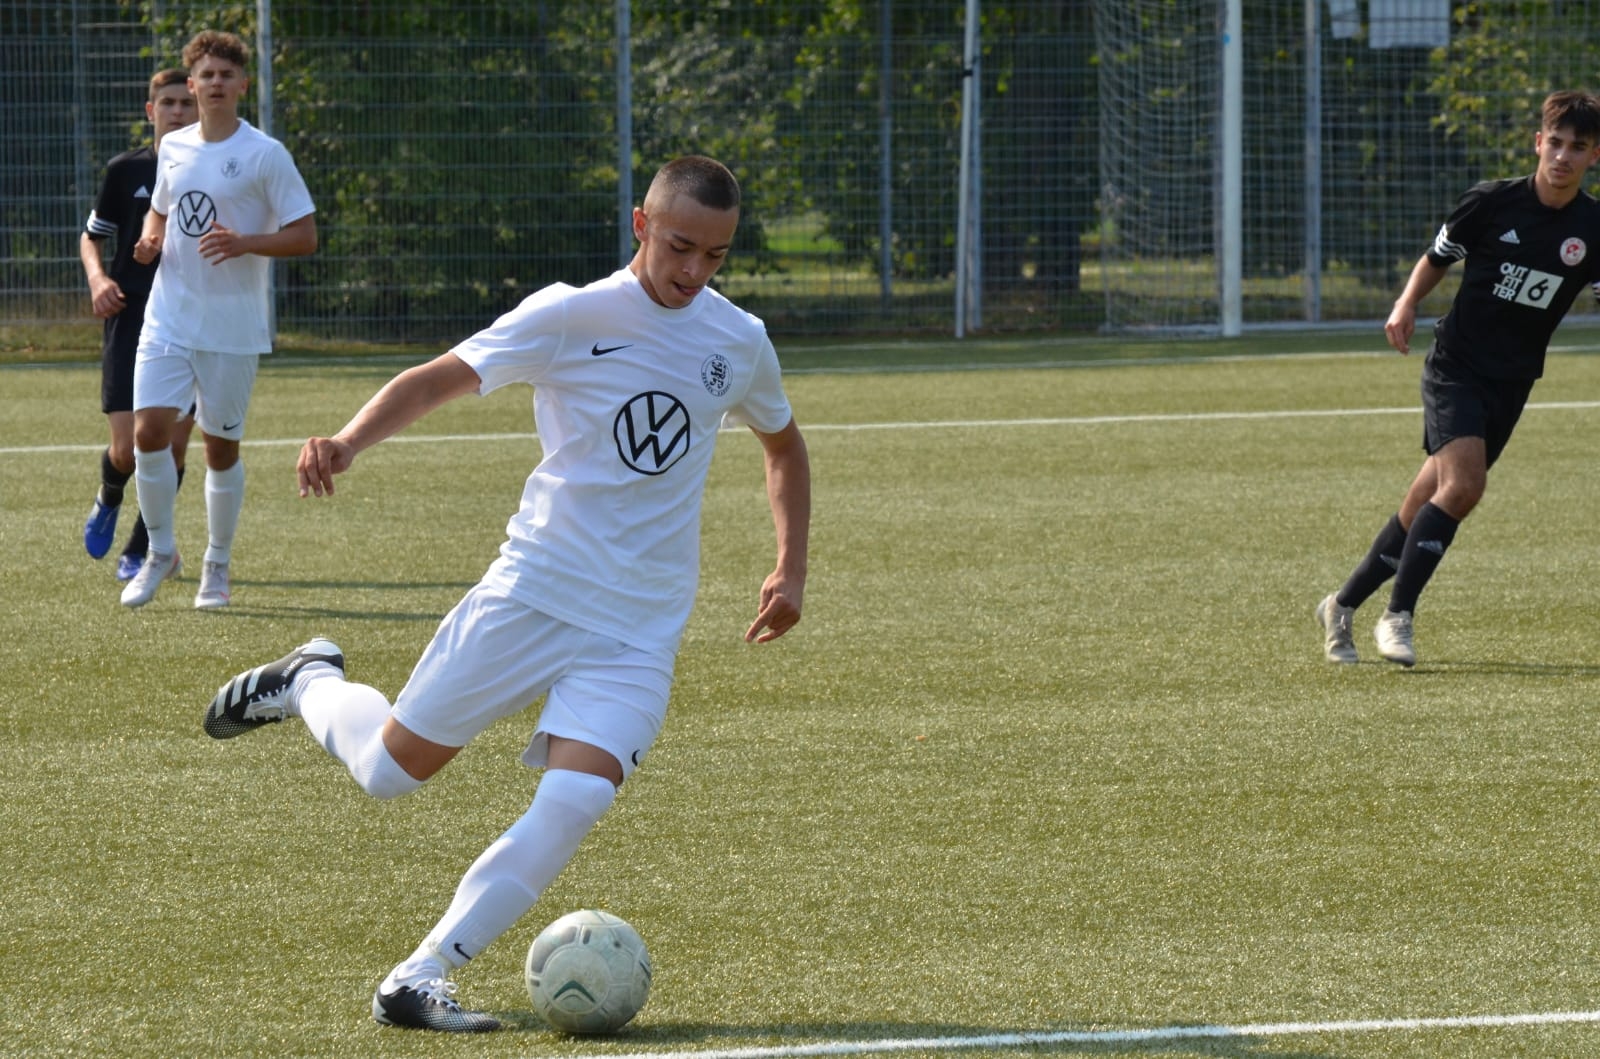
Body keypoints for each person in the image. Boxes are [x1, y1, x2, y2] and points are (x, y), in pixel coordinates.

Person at [201, 156, 810, 1032]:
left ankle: (418, 975)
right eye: (681, 246)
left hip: (640, 627)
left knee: (576, 800)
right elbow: (437, 378)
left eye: (715, 255)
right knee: (388, 772)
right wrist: (348, 440)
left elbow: (782, 444)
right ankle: (309, 680)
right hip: (535, 592)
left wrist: (790, 565)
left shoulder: (738, 339)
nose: (695, 271)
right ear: (641, 226)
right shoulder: (569, 314)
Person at [1316, 90, 1600, 666]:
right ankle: (1397, 616)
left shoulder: (1594, 227)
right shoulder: (1491, 202)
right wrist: (1405, 304)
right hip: (1457, 366)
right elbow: (1437, 257)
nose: (1563, 156)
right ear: (1538, 143)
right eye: (1556, 143)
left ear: (1595, 156)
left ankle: (1340, 605)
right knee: (1466, 486)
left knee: (1426, 500)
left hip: (1513, 381)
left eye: (1578, 147)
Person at [120, 29, 318, 610]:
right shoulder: (174, 147)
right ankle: (160, 551)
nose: (215, 84)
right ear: (192, 83)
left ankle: (217, 563)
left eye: (226, 75)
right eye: (205, 75)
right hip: (168, 317)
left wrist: (245, 242)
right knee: (148, 433)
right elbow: (161, 210)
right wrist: (150, 239)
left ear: (242, 85)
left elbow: (304, 236)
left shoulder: (265, 154)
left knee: (220, 449)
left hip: (231, 328)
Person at [80, 69, 199, 582]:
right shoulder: (126, 171)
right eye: (168, 103)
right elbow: (92, 236)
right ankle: (109, 495)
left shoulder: (213, 169)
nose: (178, 111)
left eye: (186, 103)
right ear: (151, 111)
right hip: (130, 317)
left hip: (192, 320)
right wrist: (98, 280)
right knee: (128, 451)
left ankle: (144, 547)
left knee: (172, 446)